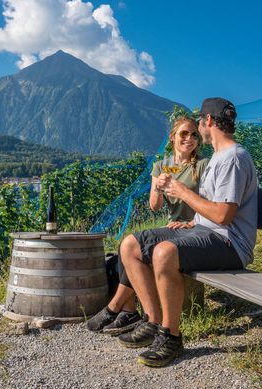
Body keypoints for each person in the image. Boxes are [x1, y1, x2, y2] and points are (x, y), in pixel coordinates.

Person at [117, 97, 258, 368]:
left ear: (207, 121)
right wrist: (192, 222)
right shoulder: (219, 158)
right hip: (205, 232)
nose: (196, 131)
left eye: (198, 125)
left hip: (231, 244)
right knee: (130, 245)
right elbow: (211, 211)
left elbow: (223, 216)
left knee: (164, 252)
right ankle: (153, 320)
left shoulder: (233, 158)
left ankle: (170, 336)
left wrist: (182, 192)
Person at [86, 116, 209, 334]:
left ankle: (118, 308)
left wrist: (192, 221)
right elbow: (154, 206)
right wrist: (158, 187)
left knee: (133, 245)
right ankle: (129, 310)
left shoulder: (202, 165)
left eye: (194, 135)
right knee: (127, 246)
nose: (189, 138)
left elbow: (210, 202)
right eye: (184, 134)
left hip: (194, 228)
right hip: (173, 227)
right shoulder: (162, 166)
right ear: (172, 137)